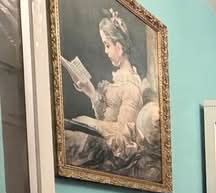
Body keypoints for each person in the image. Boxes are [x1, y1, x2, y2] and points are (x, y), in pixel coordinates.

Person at [65, 9, 159, 178]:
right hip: (105, 137)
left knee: (72, 133)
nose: (105, 51)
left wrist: (91, 123)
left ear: (119, 47)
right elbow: (108, 118)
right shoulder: (119, 80)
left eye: (107, 45)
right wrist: (91, 92)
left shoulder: (131, 87)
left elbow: (123, 133)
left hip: (118, 150)